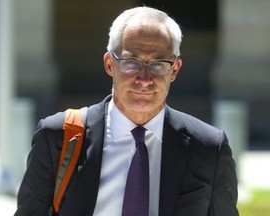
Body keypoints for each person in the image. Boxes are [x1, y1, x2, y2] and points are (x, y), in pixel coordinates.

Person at [14, 6, 239, 216]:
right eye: (131, 62)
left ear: (174, 70)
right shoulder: (59, 136)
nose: (144, 79)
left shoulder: (209, 148)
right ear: (109, 64)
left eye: (158, 64)